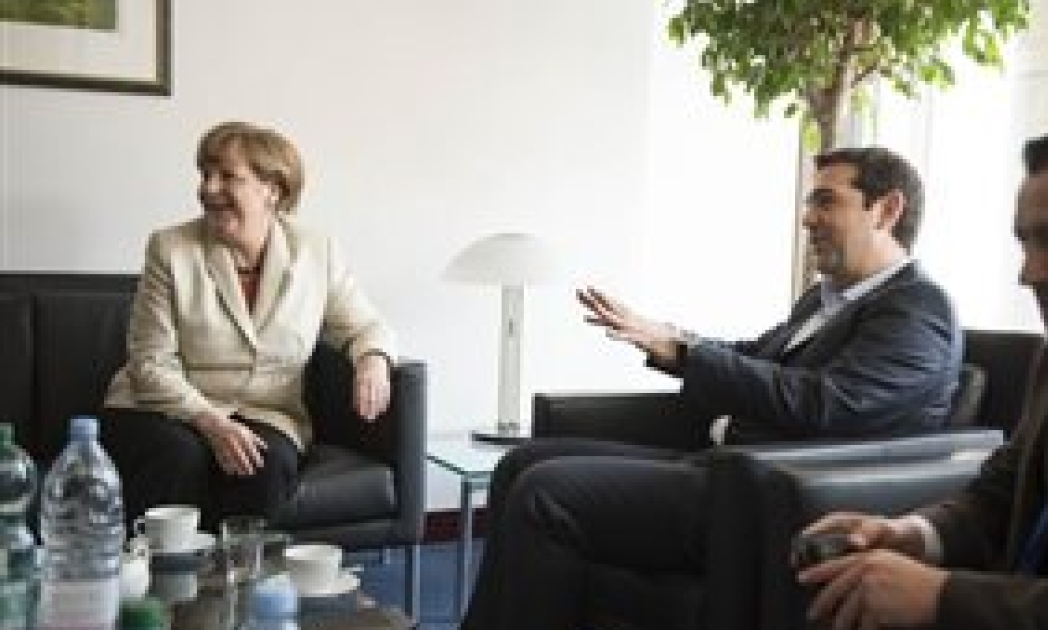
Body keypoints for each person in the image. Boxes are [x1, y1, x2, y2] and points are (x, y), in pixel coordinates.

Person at [461, 146, 963, 629]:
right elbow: (754, 356)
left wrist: (687, 353)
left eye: (826, 202)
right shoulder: (823, 301)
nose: (808, 219)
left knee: (546, 494)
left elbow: (830, 403)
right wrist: (670, 339)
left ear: (887, 210)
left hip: (767, 495)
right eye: (810, 203)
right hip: (724, 469)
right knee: (520, 464)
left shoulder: (918, 307)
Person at [797, 114, 1048, 630]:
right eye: (1025, 243)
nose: (1028, 273)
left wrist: (945, 599)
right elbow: (1001, 498)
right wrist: (914, 535)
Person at [101, 121, 397, 530]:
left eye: (227, 176)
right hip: (163, 408)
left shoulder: (316, 250)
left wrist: (372, 360)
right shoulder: (171, 249)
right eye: (205, 174)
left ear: (273, 189)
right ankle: (163, 567)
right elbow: (150, 364)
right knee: (180, 456)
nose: (208, 188)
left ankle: (238, 568)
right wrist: (210, 421)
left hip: (265, 412)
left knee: (264, 463)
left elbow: (366, 325)